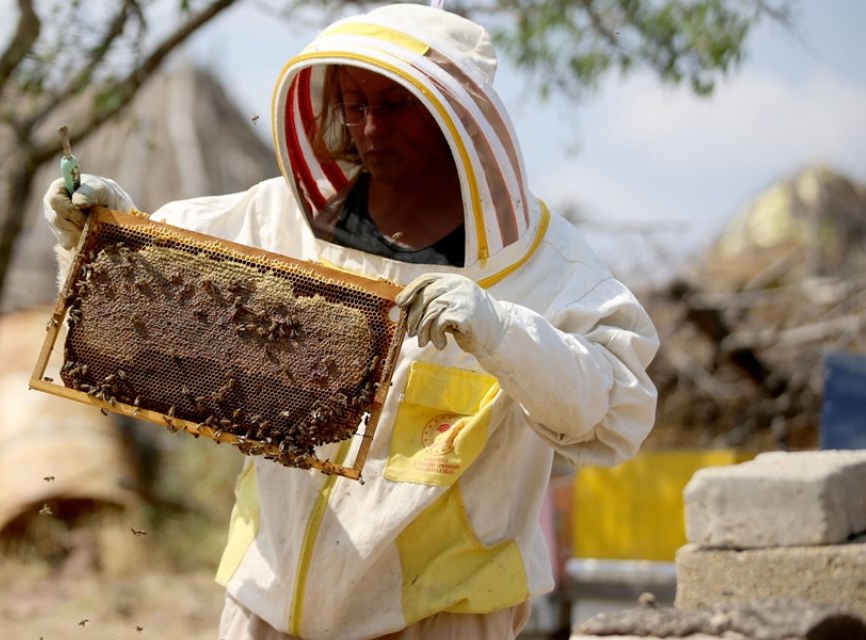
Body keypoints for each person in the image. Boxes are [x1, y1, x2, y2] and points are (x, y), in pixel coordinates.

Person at [42, 4, 659, 639]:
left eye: (394, 107)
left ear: (455, 114)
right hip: (267, 600)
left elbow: (617, 414)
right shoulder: (280, 220)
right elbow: (152, 297)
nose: (370, 128)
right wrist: (105, 237)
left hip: (437, 615)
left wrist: (506, 334)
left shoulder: (546, 269)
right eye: (355, 105)